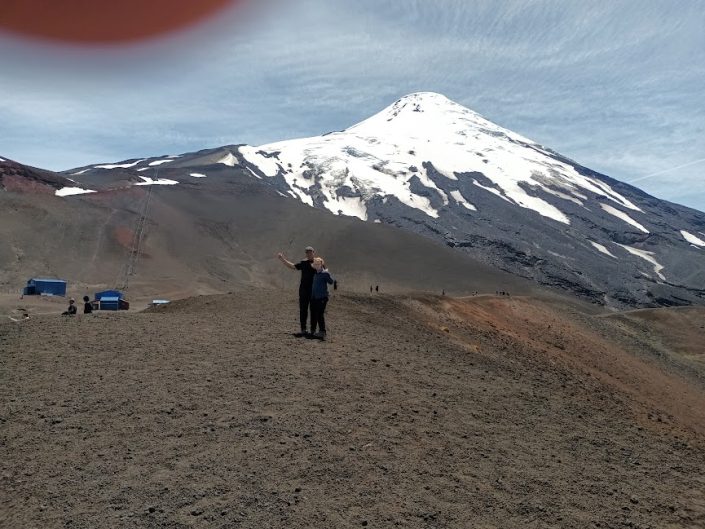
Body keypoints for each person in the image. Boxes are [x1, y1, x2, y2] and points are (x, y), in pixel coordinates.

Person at [278, 246, 316, 336]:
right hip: (303, 290)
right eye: (307, 252)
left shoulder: (318, 262)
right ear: (306, 253)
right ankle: (303, 329)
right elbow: (293, 266)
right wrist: (282, 259)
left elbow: (324, 273)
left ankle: (313, 330)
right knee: (303, 310)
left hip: (314, 290)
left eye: (310, 252)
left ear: (313, 252)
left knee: (314, 310)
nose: (309, 254)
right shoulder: (303, 263)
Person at [310, 257, 334, 340]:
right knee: (318, 314)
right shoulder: (316, 274)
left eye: (318, 264)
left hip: (323, 297)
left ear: (321, 264)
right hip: (316, 298)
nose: (317, 265)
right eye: (315, 264)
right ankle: (321, 331)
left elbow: (331, 282)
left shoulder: (324, 274)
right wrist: (312, 297)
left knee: (320, 314)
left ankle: (322, 332)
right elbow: (314, 287)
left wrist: (327, 273)